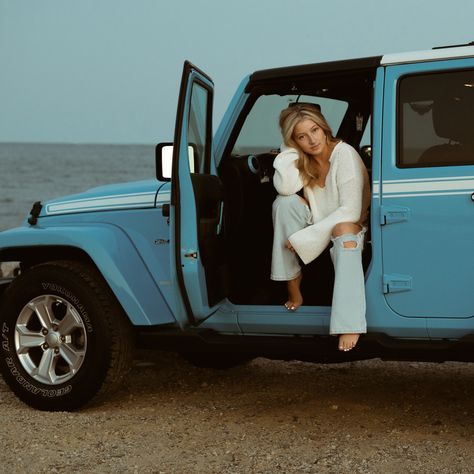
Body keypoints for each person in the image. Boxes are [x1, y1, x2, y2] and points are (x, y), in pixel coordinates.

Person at [271, 103, 371, 351]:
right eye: (301, 137)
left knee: (343, 230)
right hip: (318, 223)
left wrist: (304, 238)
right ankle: (293, 282)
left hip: (349, 226)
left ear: (324, 128)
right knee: (285, 203)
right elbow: (284, 188)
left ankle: (350, 323)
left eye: (314, 130)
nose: (312, 140)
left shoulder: (344, 153)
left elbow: (351, 211)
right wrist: (288, 150)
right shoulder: (303, 160)